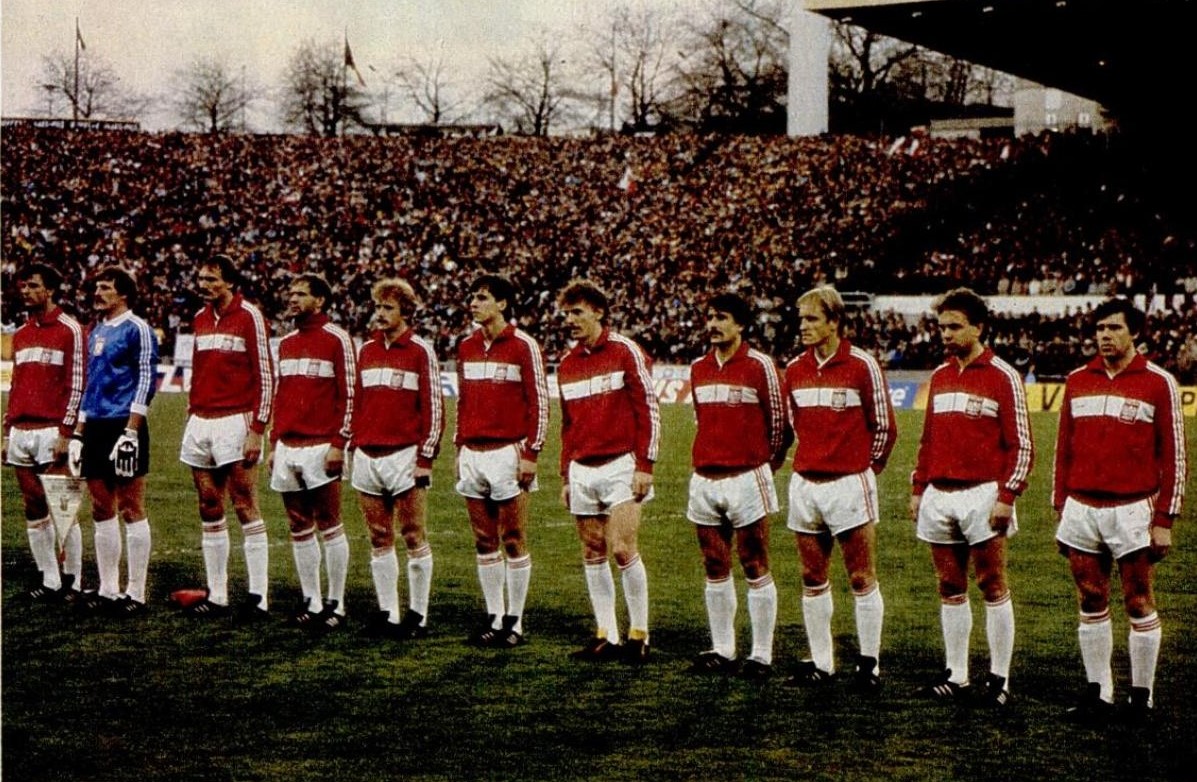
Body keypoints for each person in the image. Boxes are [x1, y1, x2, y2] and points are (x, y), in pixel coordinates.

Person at [1053, 298, 1187, 725]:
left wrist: (1165, 519)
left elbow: (1175, 456)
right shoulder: (1077, 380)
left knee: (1138, 600)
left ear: (1135, 333)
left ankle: (1141, 697)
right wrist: (1061, 505)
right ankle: (1100, 692)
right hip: (1081, 507)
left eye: (1113, 328)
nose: (1104, 336)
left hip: (1133, 509)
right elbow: (1063, 450)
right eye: (1099, 329)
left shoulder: (1158, 382)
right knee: (1090, 598)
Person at [910, 287, 1033, 707]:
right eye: (941, 326)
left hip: (982, 494)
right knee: (949, 585)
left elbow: (1022, 445)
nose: (945, 334)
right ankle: (957, 674)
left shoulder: (1003, 376)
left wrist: (1007, 495)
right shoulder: (941, 376)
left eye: (955, 326)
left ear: (978, 327)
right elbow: (927, 440)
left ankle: (999, 678)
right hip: (939, 495)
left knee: (992, 583)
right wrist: (917, 487)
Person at [783, 286, 897, 692]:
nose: (804, 327)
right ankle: (822, 661)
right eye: (801, 320)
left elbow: (884, 426)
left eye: (813, 319)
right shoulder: (794, 369)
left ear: (834, 322)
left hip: (849, 484)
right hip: (806, 485)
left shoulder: (861, 365)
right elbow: (790, 426)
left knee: (861, 577)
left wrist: (864, 470)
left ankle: (869, 664)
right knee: (811, 575)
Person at [685, 292, 787, 680]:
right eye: (709, 317)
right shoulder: (698, 367)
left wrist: (765, 464)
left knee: (754, 562)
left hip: (748, 476)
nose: (713, 324)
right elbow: (700, 420)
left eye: (722, 318)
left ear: (741, 325)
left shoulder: (761, 366)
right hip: (705, 477)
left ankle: (761, 654)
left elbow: (780, 425)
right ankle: (723, 648)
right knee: (714, 563)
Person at [557, 279, 660, 664]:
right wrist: (566, 475)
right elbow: (567, 426)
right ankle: (606, 634)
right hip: (582, 468)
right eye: (567, 313)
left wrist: (645, 465)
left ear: (598, 312)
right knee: (591, 551)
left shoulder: (624, 351)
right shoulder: (567, 364)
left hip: (621, 466)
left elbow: (648, 408)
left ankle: (639, 633)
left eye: (577, 312)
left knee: (621, 548)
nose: (570, 320)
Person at [453, 274, 549, 648]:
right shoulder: (466, 346)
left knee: (513, 538)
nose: (474, 304)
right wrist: (459, 447)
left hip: (508, 452)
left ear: (503, 304)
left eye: (481, 298)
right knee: (483, 539)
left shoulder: (524, 345)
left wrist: (531, 453)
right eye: (472, 297)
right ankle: (494, 616)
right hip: (473, 454)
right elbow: (462, 402)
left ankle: (515, 621)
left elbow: (539, 402)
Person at [179, 254, 274, 619]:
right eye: (201, 278)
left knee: (245, 505)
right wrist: (192, 413)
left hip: (236, 420)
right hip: (201, 420)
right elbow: (199, 371)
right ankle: (217, 595)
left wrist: (257, 430)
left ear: (231, 284)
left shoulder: (250, 316)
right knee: (208, 504)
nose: (204, 286)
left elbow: (266, 376)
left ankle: (258, 597)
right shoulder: (200, 319)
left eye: (212, 280)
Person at [352, 279, 445, 640]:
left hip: (405, 456)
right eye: (377, 307)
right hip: (368, 454)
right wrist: (355, 445)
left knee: (412, 534)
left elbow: (434, 408)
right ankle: (388, 612)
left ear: (405, 312)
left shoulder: (420, 350)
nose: (380, 314)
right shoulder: (367, 350)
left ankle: (417, 615)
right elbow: (357, 403)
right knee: (378, 536)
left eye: (388, 308)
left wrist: (425, 457)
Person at [269, 273, 356, 634]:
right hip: (288, 444)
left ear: (320, 301)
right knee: (297, 523)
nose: (293, 299)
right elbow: (281, 395)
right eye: (291, 293)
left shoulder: (337, 338)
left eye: (301, 294)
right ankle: (312, 599)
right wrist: (274, 442)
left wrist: (340, 442)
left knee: (329, 521)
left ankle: (336, 601)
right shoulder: (286, 342)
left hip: (322, 445)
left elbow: (350, 394)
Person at [72, 265, 160, 616]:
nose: (98, 293)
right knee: (101, 506)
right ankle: (108, 588)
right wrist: (79, 431)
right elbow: (89, 384)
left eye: (106, 287)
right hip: (94, 425)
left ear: (123, 293)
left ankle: (135, 592)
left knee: (131, 506)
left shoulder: (137, 328)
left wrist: (132, 429)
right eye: (97, 287)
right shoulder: (95, 331)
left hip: (124, 424)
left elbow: (146, 379)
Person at [3, 263, 85, 602]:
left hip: (53, 429)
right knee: (33, 505)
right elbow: (17, 385)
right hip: (22, 429)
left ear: (49, 290)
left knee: (64, 507)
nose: (25, 291)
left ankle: (74, 580)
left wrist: (68, 431)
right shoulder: (20, 334)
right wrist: (7, 430)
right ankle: (49, 578)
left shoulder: (70, 329)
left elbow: (77, 383)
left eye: (32, 285)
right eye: (23, 286)